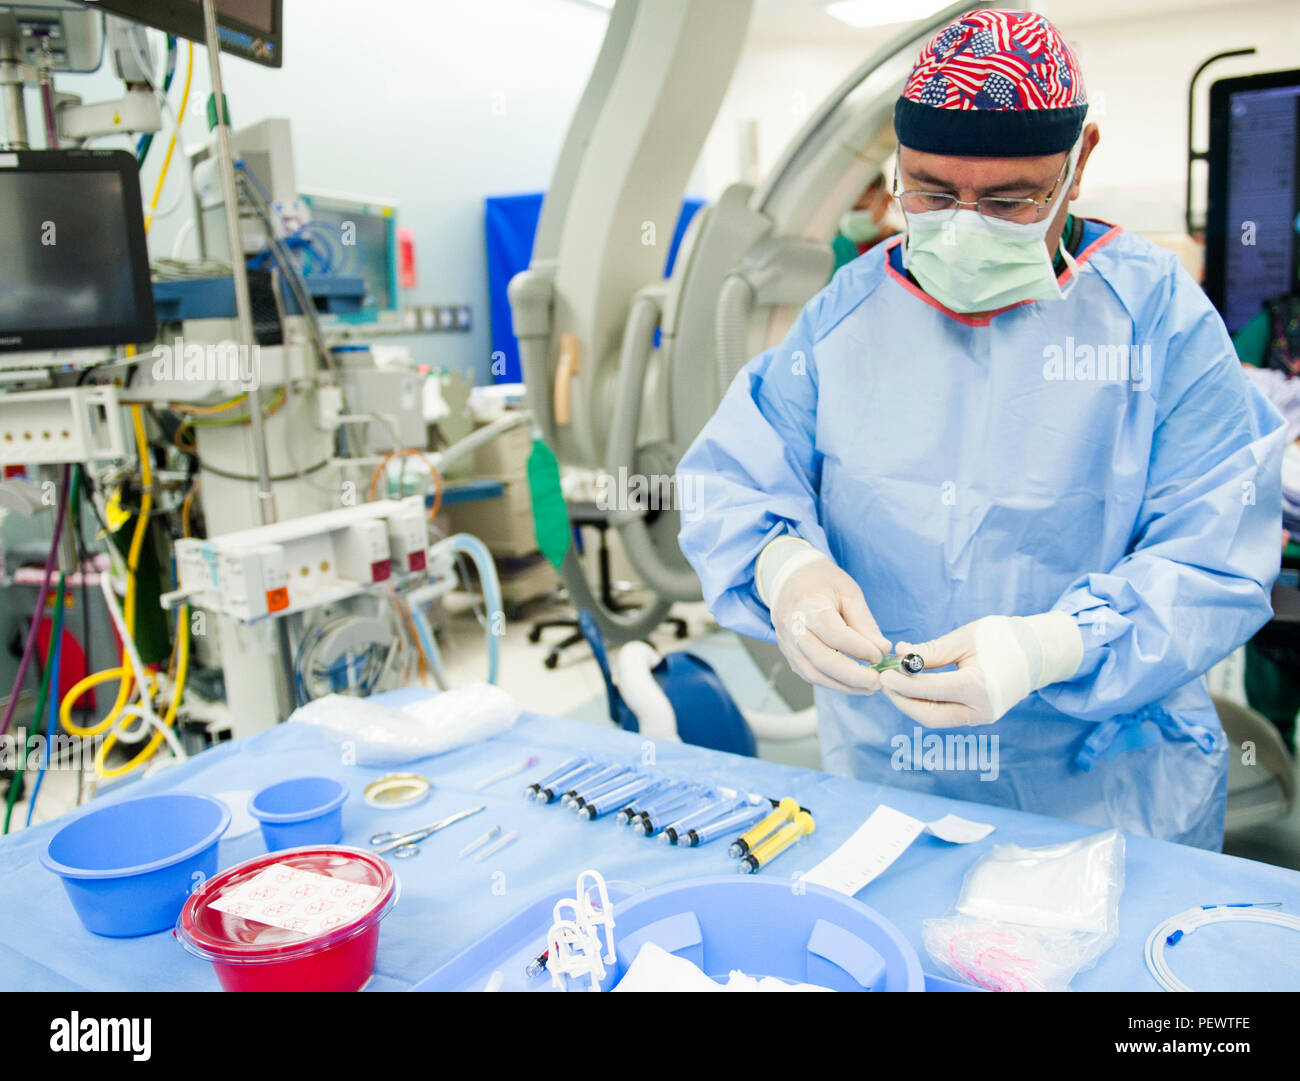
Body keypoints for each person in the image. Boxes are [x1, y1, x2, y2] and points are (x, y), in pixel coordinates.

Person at [676, 8, 1286, 850]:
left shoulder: (1158, 324)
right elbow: (733, 478)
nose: (962, 227)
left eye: (1008, 200)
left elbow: (1214, 558)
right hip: (893, 782)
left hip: (1109, 798)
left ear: (1080, 165)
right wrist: (786, 567)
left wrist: (1056, 644)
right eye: (929, 191)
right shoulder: (846, 320)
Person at [831, 176, 900, 273]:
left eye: (859, 208)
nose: (850, 217)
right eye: (844, 210)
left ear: (886, 201)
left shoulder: (906, 247)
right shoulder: (836, 249)